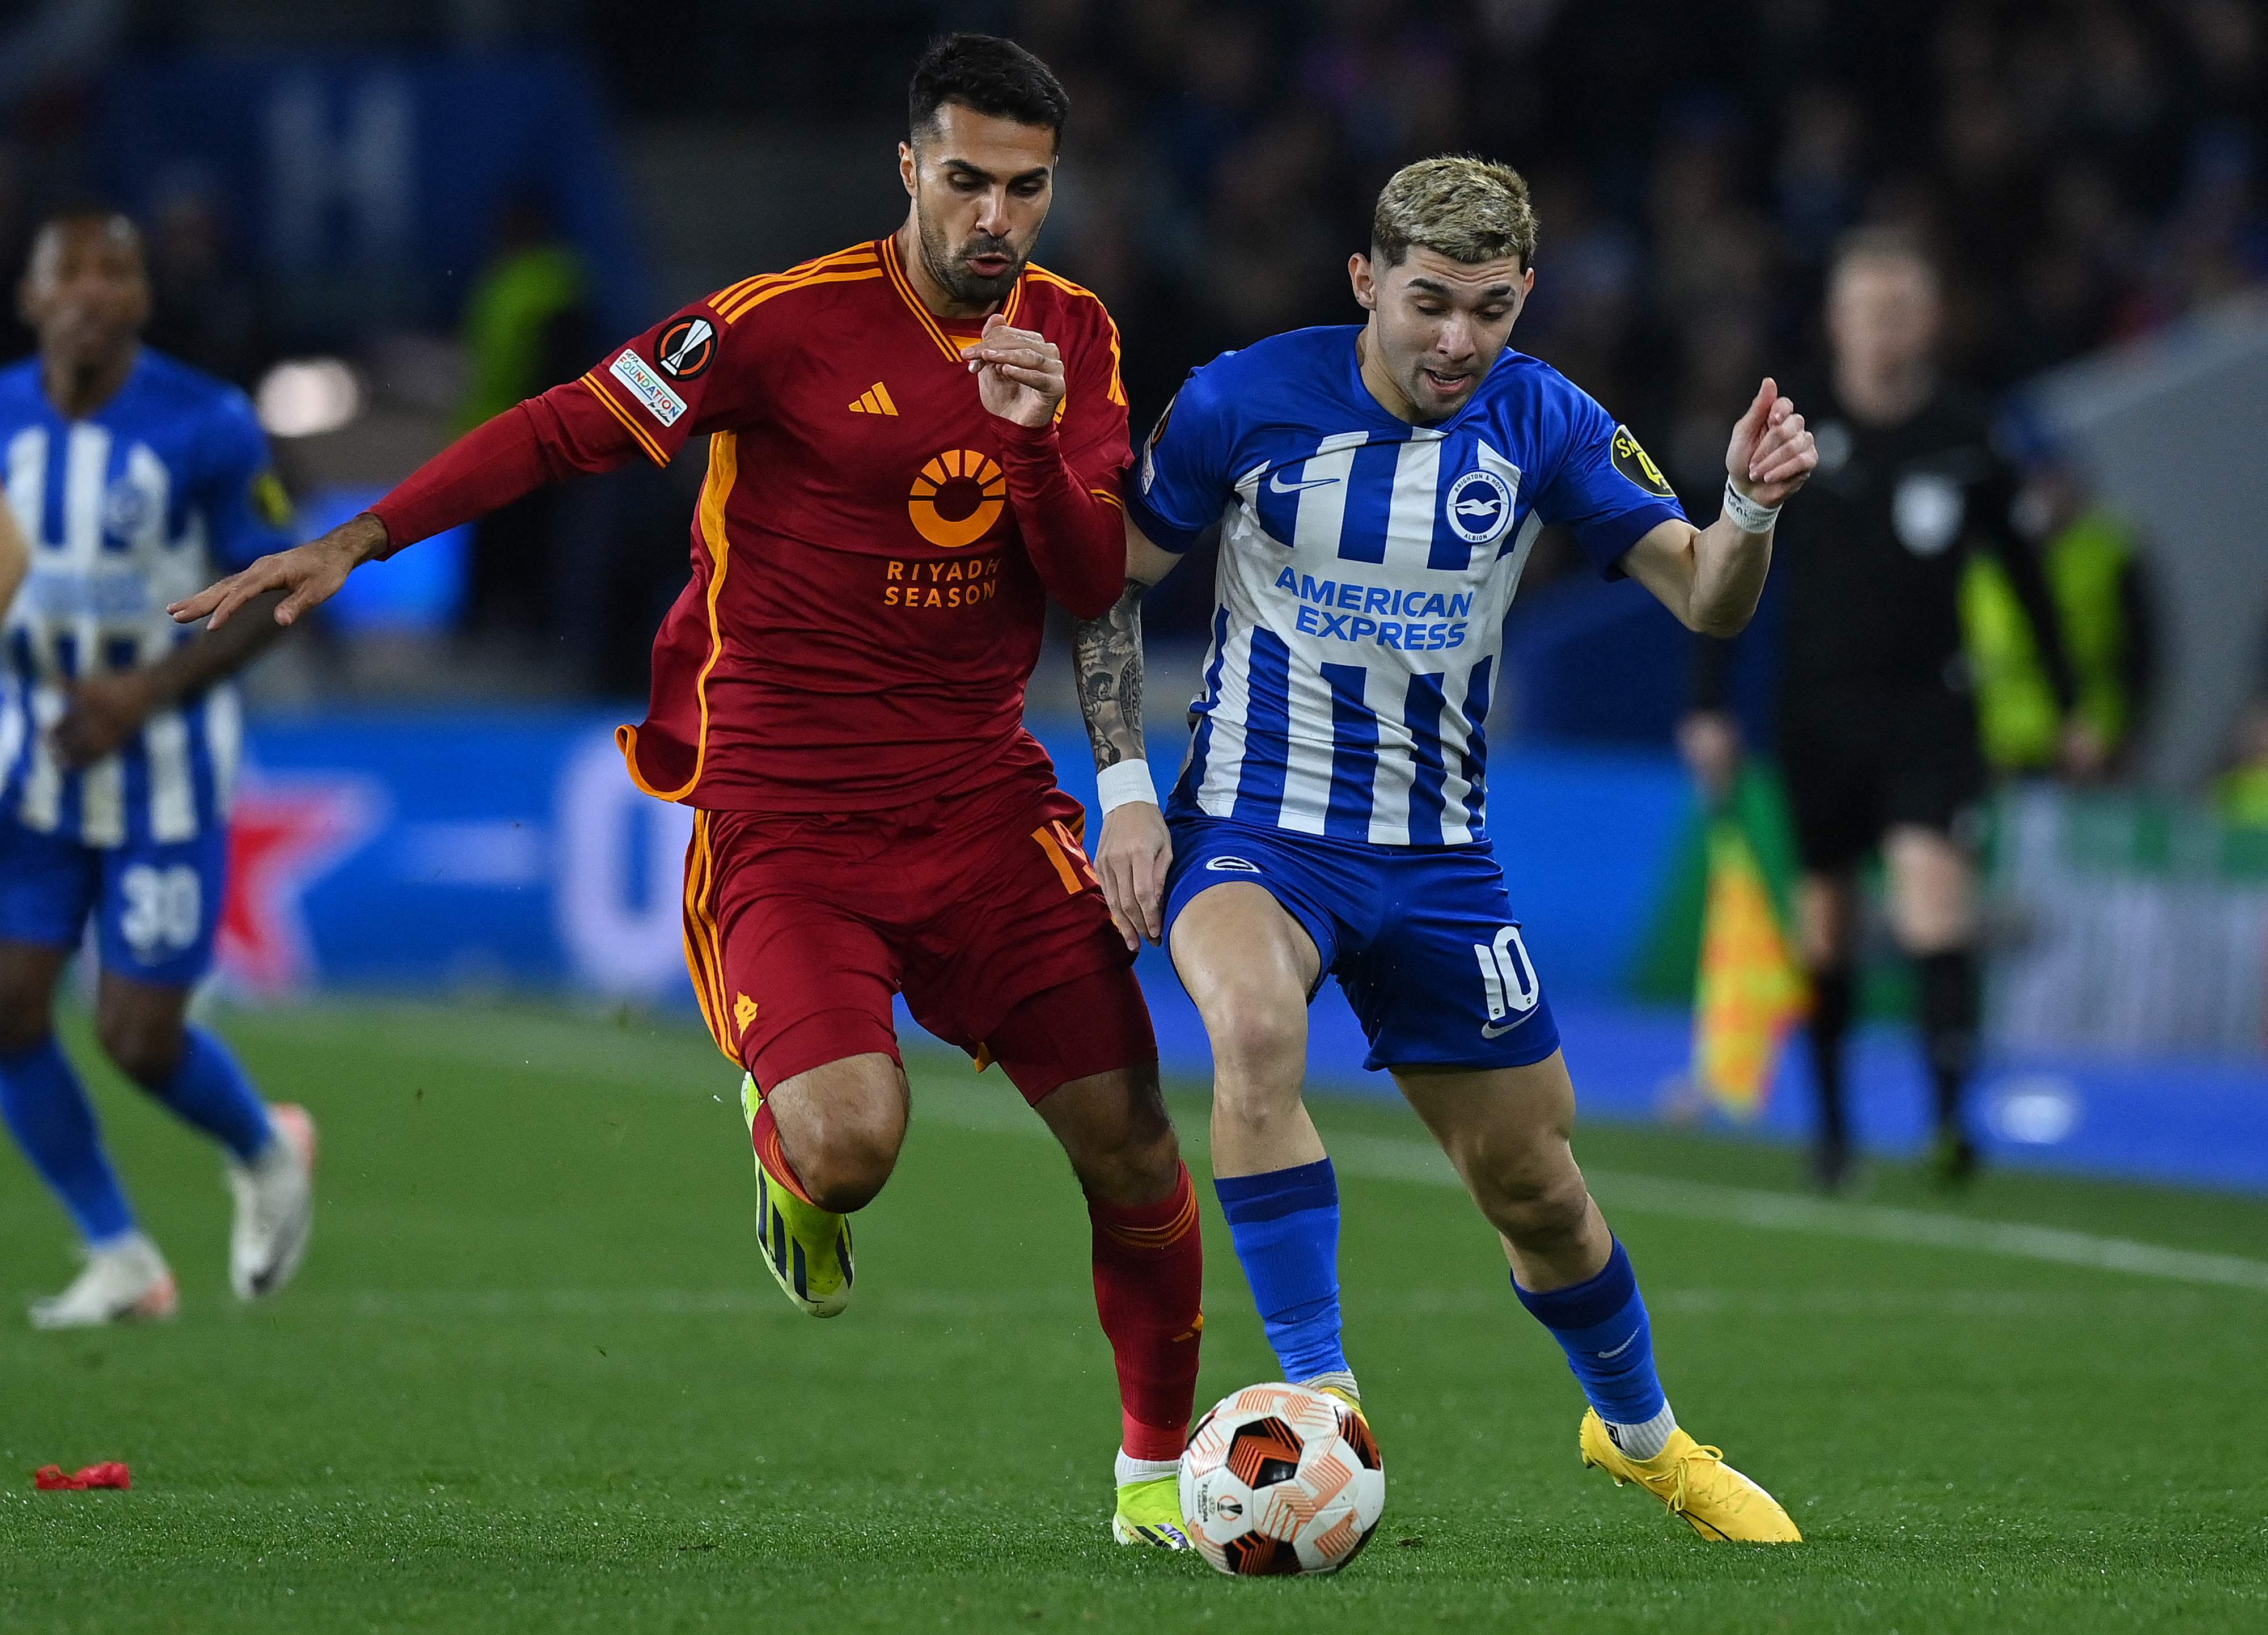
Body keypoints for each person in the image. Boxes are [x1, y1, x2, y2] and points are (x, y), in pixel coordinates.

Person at [172, 35, 1204, 1550]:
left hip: (985, 804)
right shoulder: (781, 329)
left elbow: (1095, 578)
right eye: (970, 180)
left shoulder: (1075, 338)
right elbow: (566, 424)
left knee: (1131, 1141)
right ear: (910, 168)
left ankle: (1155, 1481)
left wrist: (1043, 441)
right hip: (788, 822)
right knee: (855, 1143)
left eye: (1028, 189)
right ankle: (792, 1153)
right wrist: (359, 539)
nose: (999, 218)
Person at [1075, 156, 1814, 1543]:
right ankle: (1320, 1402)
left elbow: (1707, 599)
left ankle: (1641, 1433)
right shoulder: (1242, 397)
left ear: (1523, 297)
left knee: (1534, 1182)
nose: (1455, 340)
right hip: (1252, 828)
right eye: (1427, 303)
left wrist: (1752, 507)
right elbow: (1109, 583)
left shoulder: (1543, 419)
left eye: (1487, 309)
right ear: (1366, 282)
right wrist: (1124, 790)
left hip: (1436, 859)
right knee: (1246, 1028)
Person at [1679, 227, 2099, 1191]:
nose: (1886, 329)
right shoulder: (1794, 429)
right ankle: (1833, 1131)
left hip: (1932, 709)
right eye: (1870, 310)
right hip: (1818, 712)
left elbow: (2026, 577)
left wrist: (2071, 701)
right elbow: (1722, 558)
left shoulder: (1968, 432)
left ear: (1932, 320)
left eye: (1904, 310)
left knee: (1933, 898)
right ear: (1837, 321)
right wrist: (1708, 705)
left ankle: (1952, 1126)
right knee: (1827, 921)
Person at [0, 210, 317, 1328]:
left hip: (162, 762)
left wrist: (146, 689)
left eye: (116, 275)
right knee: (7, 1003)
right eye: (70, 274)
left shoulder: (208, 423)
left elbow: (276, 591)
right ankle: (119, 1252)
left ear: (141, 299)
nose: (93, 292)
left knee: (136, 1034)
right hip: (26, 757)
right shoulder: (1, 418)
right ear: (34, 296)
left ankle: (263, 1144)